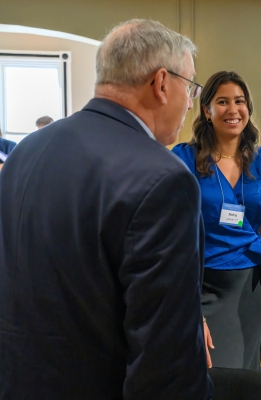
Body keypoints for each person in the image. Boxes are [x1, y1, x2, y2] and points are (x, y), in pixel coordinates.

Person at [0, 19, 213, 399]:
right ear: (162, 83)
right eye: (191, 86)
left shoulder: (24, 153)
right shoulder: (163, 178)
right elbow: (166, 361)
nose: (190, 101)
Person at [172, 70, 261, 371]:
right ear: (207, 110)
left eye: (240, 101)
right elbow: (177, 234)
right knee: (207, 375)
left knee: (245, 374)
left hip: (250, 283)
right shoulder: (185, 158)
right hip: (204, 282)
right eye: (223, 101)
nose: (233, 110)